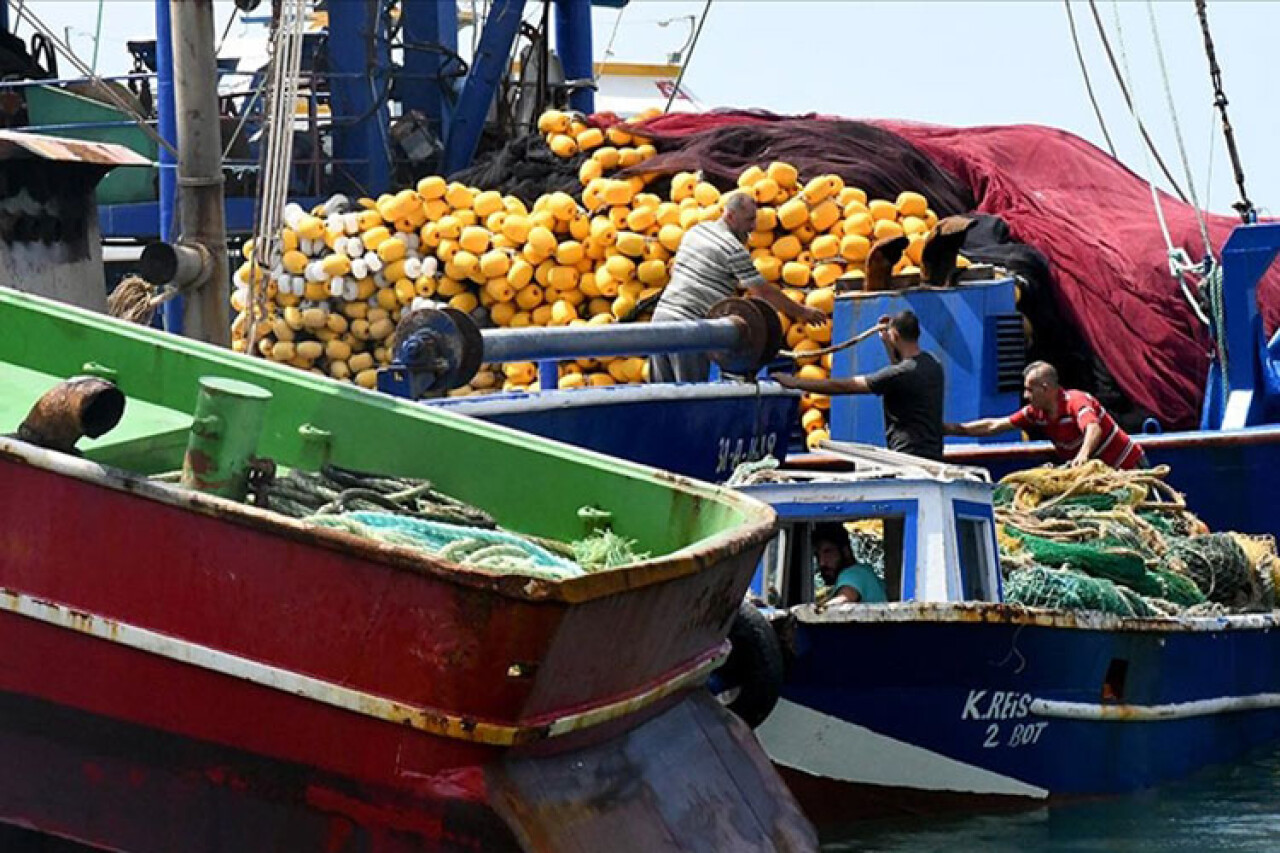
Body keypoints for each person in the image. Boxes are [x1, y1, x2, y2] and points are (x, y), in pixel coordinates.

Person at [649, 191, 826, 383]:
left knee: (661, 396)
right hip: (691, 329)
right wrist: (802, 312)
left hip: (660, 320)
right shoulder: (733, 249)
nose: (753, 226)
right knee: (689, 397)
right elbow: (762, 291)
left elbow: (678, 270)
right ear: (730, 216)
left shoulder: (695, 231)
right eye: (749, 220)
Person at [774, 309, 945, 461]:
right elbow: (900, 374)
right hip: (933, 453)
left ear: (895, 336)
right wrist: (887, 343)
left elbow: (845, 386)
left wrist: (796, 382)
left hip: (908, 457)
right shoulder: (933, 363)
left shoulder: (900, 374)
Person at [945, 361, 1148, 469]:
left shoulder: (1075, 401)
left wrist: (1083, 455)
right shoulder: (1037, 414)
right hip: (1099, 475)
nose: (1025, 396)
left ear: (1045, 388)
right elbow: (995, 426)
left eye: (1029, 390)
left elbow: (1093, 427)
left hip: (1129, 467)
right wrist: (953, 429)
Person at [812, 522, 887, 604]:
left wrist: (818, 612)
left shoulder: (853, 574)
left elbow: (841, 602)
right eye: (817, 556)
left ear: (845, 551)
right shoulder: (863, 573)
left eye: (828, 552)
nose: (822, 562)